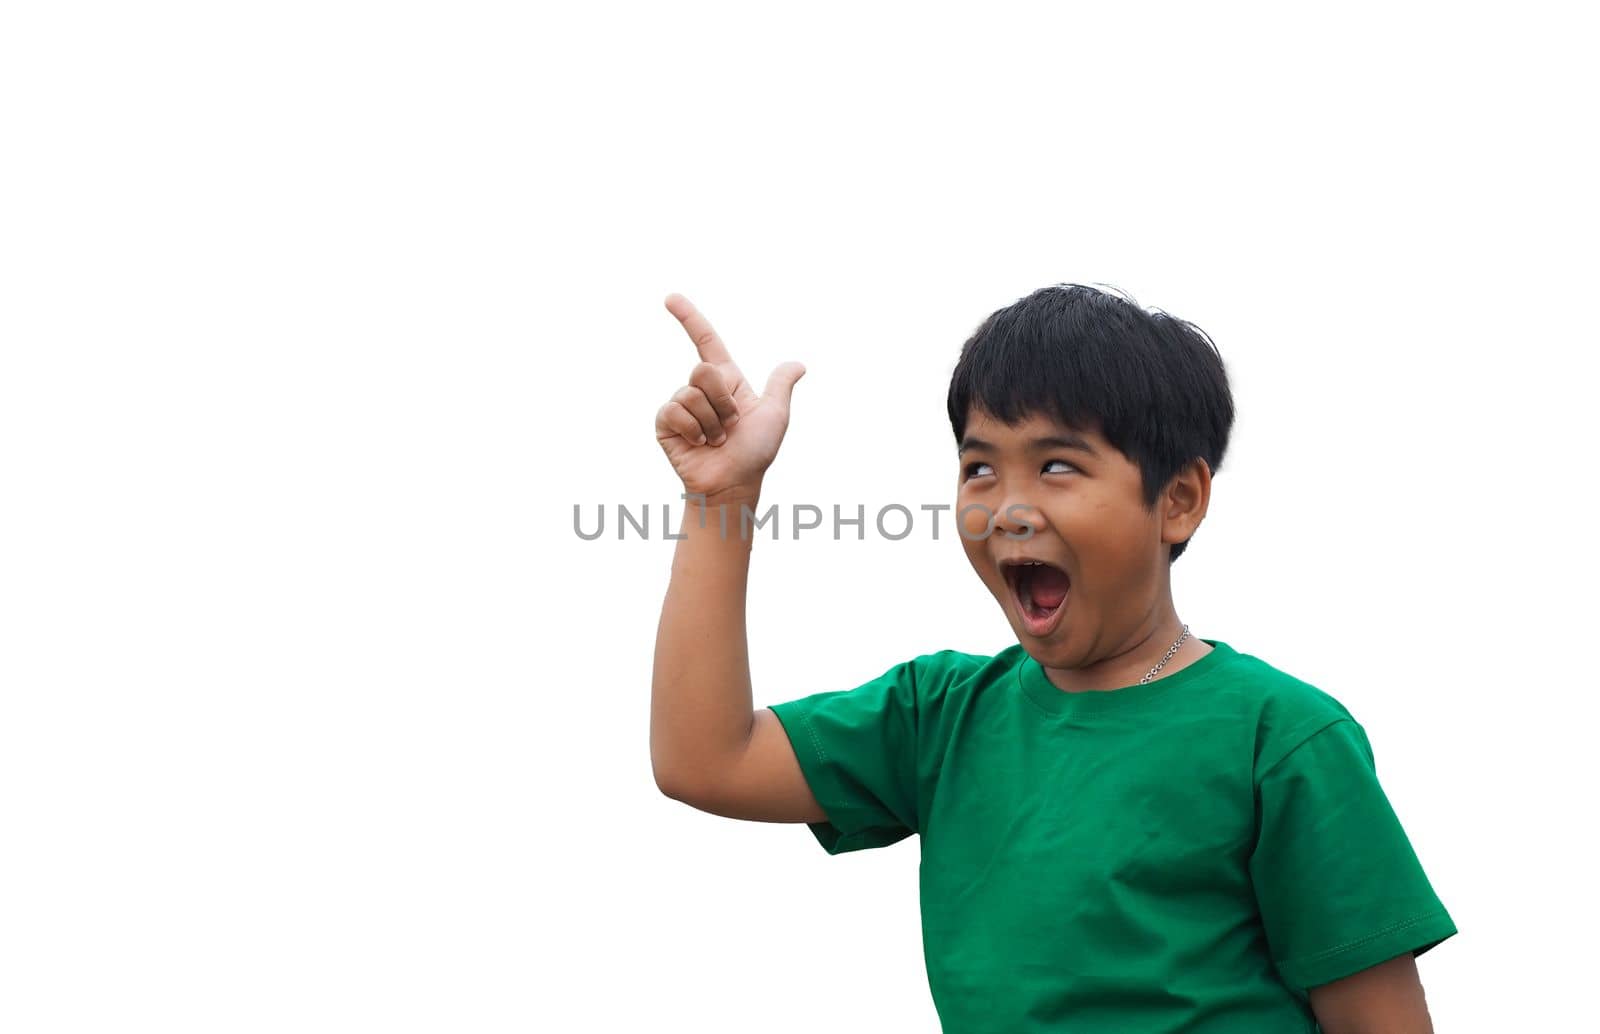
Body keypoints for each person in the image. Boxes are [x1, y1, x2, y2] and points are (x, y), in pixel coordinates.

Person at [649, 284, 1454, 1033]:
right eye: (979, 468)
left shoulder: (1281, 738)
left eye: (1058, 466)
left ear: (1178, 500)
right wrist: (722, 500)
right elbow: (706, 760)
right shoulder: (941, 715)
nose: (1009, 507)